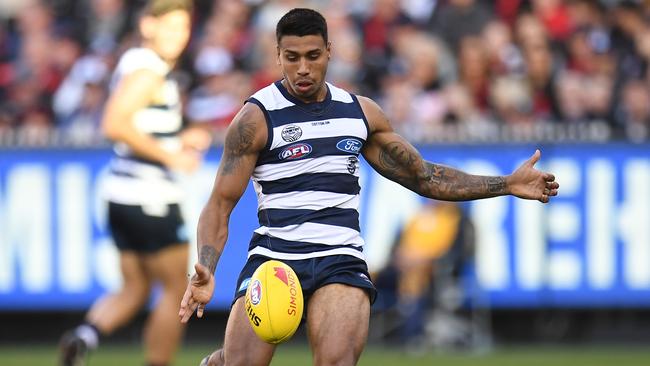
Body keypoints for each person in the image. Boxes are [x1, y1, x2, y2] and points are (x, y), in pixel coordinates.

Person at [178, 7, 559, 366]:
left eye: (313, 55)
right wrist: (208, 268)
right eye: (292, 57)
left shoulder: (359, 113)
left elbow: (423, 176)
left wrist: (506, 183)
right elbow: (220, 204)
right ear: (277, 55)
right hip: (275, 259)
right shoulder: (255, 118)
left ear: (330, 51)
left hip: (339, 260)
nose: (303, 68)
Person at [59, 1, 210, 366]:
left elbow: (139, 124)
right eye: (170, 27)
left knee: (136, 288)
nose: (179, 37)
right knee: (177, 290)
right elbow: (115, 123)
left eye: (184, 28)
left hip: (121, 194)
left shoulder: (136, 63)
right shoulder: (149, 72)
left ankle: (84, 337)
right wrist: (172, 155)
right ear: (147, 25)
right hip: (150, 197)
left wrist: (179, 138)